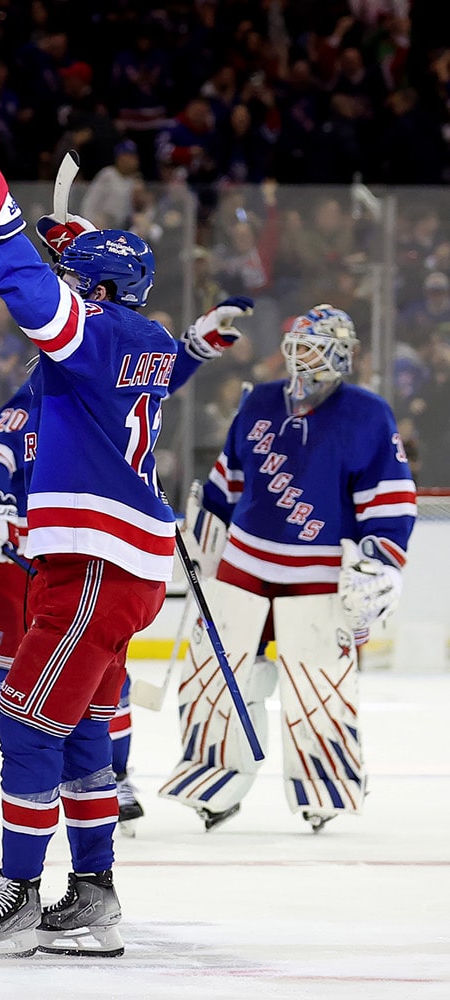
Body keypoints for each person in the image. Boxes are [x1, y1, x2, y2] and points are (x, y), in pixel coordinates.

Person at [0, 144, 177, 961]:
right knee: (78, 729)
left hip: (97, 562)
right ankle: (94, 897)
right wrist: (77, 247)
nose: (69, 284)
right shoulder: (143, 332)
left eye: (82, 277)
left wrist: (0, 221)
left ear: (101, 294)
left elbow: (36, 299)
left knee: (27, 719)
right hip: (106, 559)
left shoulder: (99, 332)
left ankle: (21, 894)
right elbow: (82, 294)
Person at [0, 291, 254, 839]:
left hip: (89, 553)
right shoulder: (42, 387)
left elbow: (144, 377)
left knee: (107, 671)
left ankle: (115, 776)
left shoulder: (93, 387)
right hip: (15, 552)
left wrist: (195, 348)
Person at [158, 305, 415, 833]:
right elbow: (228, 479)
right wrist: (204, 533)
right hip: (244, 563)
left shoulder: (368, 414)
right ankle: (216, 777)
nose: (300, 355)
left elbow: (388, 501)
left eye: (314, 344)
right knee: (220, 676)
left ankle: (325, 784)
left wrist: (380, 562)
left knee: (319, 682)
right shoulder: (260, 402)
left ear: (341, 352)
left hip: (317, 575)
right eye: (297, 342)